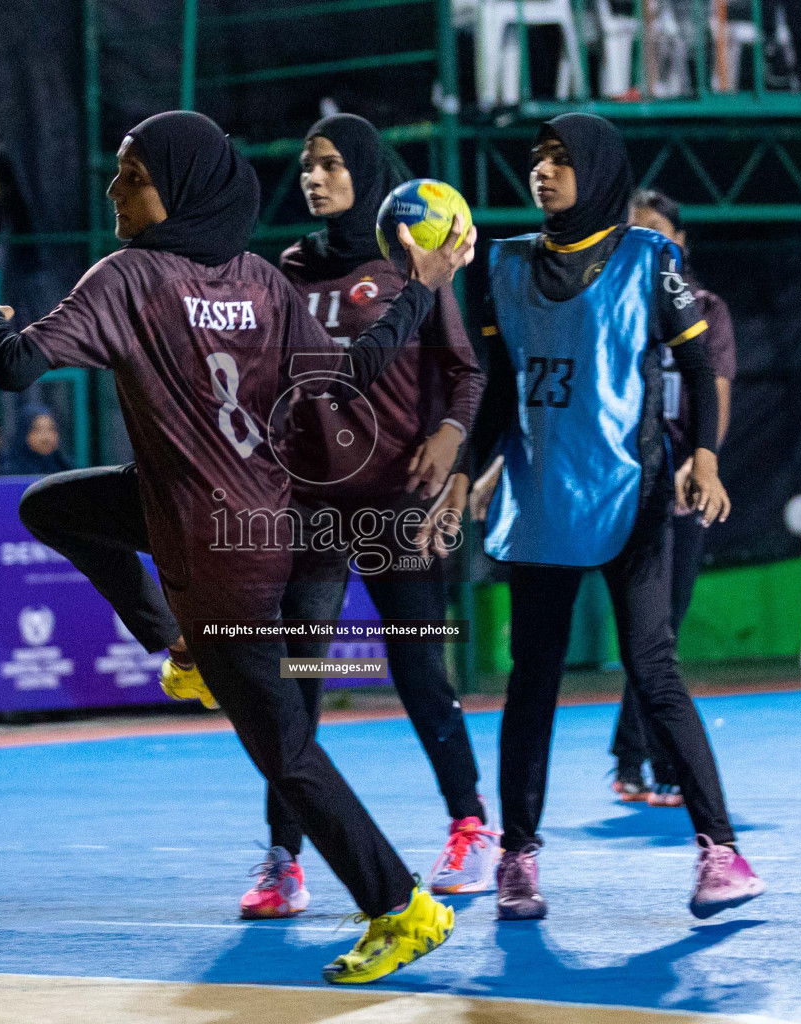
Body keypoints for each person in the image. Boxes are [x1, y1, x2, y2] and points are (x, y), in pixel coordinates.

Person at [0, 110, 474, 985]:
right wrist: (417, 291)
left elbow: (16, 368)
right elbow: (349, 374)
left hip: (209, 551)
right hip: (259, 519)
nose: (116, 189)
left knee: (287, 753)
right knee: (54, 506)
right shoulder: (262, 281)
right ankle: (179, 648)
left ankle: (402, 907)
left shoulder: (130, 279)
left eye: (133, 176)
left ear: (179, 188)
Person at [467, 113, 763, 922]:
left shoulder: (649, 261)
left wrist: (703, 460)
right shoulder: (504, 266)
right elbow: (501, 389)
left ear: (597, 172)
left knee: (653, 668)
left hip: (632, 496)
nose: (544, 172)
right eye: (538, 160)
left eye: (562, 160)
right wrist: (468, 472)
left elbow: (699, 367)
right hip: (539, 502)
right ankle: (517, 858)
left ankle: (721, 851)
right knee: (532, 684)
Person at [235, 113, 493, 922]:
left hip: (394, 504)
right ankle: (284, 859)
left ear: (368, 171)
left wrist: (450, 439)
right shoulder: (288, 270)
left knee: (418, 669)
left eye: (331, 165)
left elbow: (466, 374)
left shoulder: (409, 263)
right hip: (311, 504)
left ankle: (470, 827)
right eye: (308, 165)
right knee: (296, 682)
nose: (314, 178)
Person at [609, 189, 739, 808]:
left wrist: (696, 468)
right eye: (636, 232)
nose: (648, 243)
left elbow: (714, 401)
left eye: (659, 232)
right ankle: (644, 761)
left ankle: (638, 757)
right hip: (612, 485)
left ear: (680, 243)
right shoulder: (614, 305)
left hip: (675, 488)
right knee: (645, 634)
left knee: (661, 630)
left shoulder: (707, 310)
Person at [0, 402, 73, 476]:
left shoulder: (66, 469)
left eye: (51, 429)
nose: (46, 438)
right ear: (23, 434)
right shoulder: (8, 472)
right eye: (37, 430)